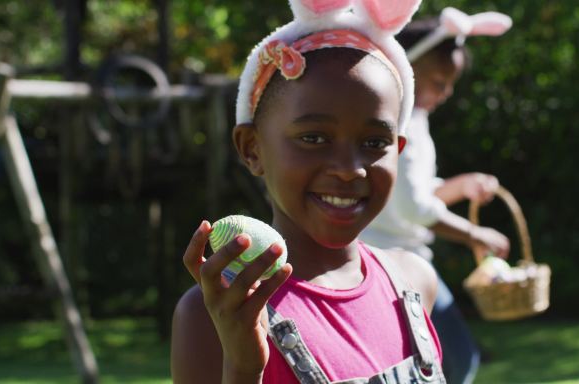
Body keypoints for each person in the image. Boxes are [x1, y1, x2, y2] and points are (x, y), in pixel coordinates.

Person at [171, 1, 449, 383]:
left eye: (374, 142)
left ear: (398, 150)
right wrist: (243, 368)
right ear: (252, 148)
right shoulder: (216, 315)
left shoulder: (414, 283)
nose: (349, 169)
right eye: (314, 138)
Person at [359, 7, 514, 384]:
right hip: (393, 262)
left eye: (450, 84)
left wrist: (458, 186)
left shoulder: (417, 119)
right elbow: (415, 207)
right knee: (458, 359)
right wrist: (475, 235)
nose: (445, 93)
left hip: (398, 259)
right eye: (439, 82)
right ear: (408, 69)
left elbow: (409, 196)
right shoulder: (399, 121)